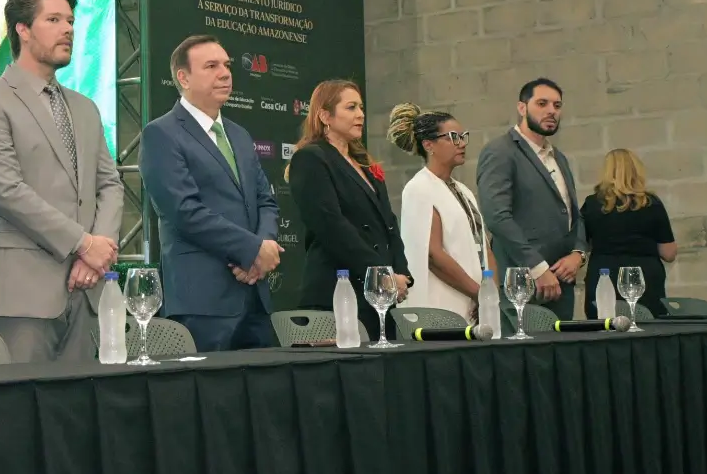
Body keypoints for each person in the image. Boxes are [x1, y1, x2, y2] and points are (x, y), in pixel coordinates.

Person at [0, 0, 124, 363]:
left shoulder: (85, 107)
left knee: (83, 400)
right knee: (19, 400)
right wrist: (84, 244)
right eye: (54, 20)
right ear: (23, 30)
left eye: (70, 21)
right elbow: (6, 191)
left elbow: (110, 184)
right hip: (20, 293)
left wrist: (97, 251)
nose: (68, 29)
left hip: (89, 290)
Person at [140, 35, 281, 352]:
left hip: (254, 295)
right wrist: (252, 250)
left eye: (227, 65)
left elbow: (265, 200)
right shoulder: (161, 134)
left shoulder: (239, 135)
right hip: (202, 302)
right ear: (183, 78)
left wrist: (262, 249)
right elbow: (184, 211)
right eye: (211, 66)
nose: (225, 73)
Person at [285, 79, 410, 341]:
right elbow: (331, 226)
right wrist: (381, 274)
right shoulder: (311, 158)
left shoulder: (366, 165)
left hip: (377, 296)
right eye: (351, 107)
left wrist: (400, 272)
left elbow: (389, 223)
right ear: (325, 116)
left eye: (361, 107)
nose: (361, 114)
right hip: (337, 292)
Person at [475, 78, 586, 321]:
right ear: (522, 108)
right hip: (521, 283)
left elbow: (572, 213)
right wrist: (537, 267)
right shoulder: (500, 151)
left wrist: (578, 253)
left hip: (561, 282)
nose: (551, 111)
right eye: (542, 103)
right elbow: (497, 217)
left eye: (557, 105)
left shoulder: (558, 157)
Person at [387, 103, 496, 320]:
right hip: (443, 305)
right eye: (453, 137)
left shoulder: (464, 190)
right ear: (429, 145)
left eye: (463, 136)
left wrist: (491, 293)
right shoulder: (419, 188)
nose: (461, 143)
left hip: (477, 304)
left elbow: (485, 247)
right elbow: (433, 255)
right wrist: (479, 293)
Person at [581, 148, 677, 319]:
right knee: (647, 327)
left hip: (604, 278)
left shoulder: (592, 204)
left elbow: (582, 244)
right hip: (643, 279)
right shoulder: (650, 203)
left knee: (603, 327)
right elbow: (668, 253)